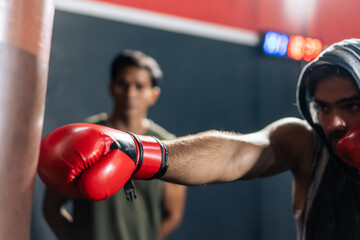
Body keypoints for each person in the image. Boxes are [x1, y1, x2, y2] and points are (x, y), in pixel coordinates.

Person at [38, 38, 360, 240]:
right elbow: (236, 153)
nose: (334, 123)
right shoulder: (305, 142)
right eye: (323, 108)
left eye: (351, 106)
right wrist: (139, 152)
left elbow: (171, 216)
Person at [42, 50, 187, 240]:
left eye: (139, 86)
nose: (130, 93)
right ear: (111, 88)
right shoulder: (85, 136)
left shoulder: (166, 146)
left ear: (153, 95)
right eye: (123, 84)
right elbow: (51, 207)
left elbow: (173, 214)